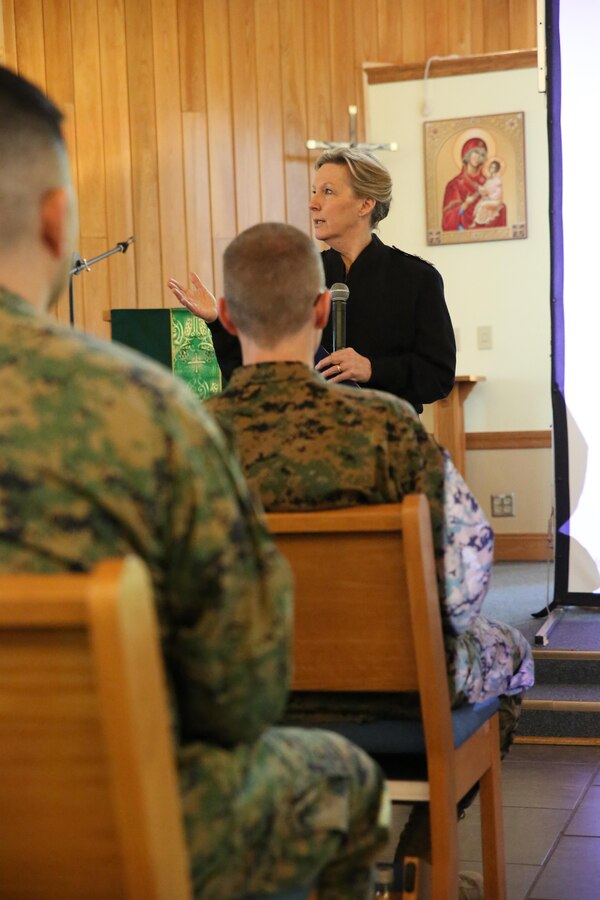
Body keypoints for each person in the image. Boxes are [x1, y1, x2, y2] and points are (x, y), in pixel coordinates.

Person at [0, 65, 390, 900]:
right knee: (343, 779)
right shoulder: (148, 415)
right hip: (109, 813)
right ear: (56, 221)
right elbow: (241, 695)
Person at [203, 221, 534, 898]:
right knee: (509, 648)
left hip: (234, 701)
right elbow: (464, 584)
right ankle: (422, 858)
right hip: (392, 691)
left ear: (228, 318)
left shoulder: (184, 435)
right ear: (322, 310)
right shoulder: (386, 429)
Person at [168, 149, 456, 414]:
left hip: (389, 437)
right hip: (306, 437)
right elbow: (256, 368)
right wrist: (218, 321)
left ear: (365, 204)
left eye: (328, 192)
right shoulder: (295, 275)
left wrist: (373, 369)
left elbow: (438, 376)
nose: (313, 203)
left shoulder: (416, 278)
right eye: (314, 191)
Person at [442, 137, 507, 232]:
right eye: (475, 152)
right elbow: (447, 219)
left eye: (482, 154)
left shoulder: (487, 181)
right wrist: (466, 204)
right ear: (466, 154)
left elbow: (495, 200)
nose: (479, 157)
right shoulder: (454, 184)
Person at [473, 158, 505, 227]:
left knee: (483, 205)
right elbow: (485, 189)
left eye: (493, 167)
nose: (491, 168)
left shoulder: (497, 180)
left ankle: (478, 222)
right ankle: (478, 222)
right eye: (490, 166)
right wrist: (479, 187)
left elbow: (498, 194)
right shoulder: (489, 179)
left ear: (497, 169)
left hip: (495, 200)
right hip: (488, 198)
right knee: (478, 205)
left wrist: (489, 195)